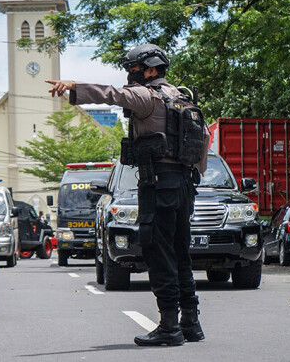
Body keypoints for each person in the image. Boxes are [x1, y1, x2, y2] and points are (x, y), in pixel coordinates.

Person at [47, 44, 209, 346]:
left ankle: (169, 327)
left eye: (133, 69)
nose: (129, 75)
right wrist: (192, 174)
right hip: (184, 185)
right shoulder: (181, 97)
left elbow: (112, 94)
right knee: (179, 252)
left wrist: (74, 87)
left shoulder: (146, 96)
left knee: (158, 252)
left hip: (158, 185)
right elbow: (204, 138)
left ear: (150, 70)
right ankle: (191, 322)